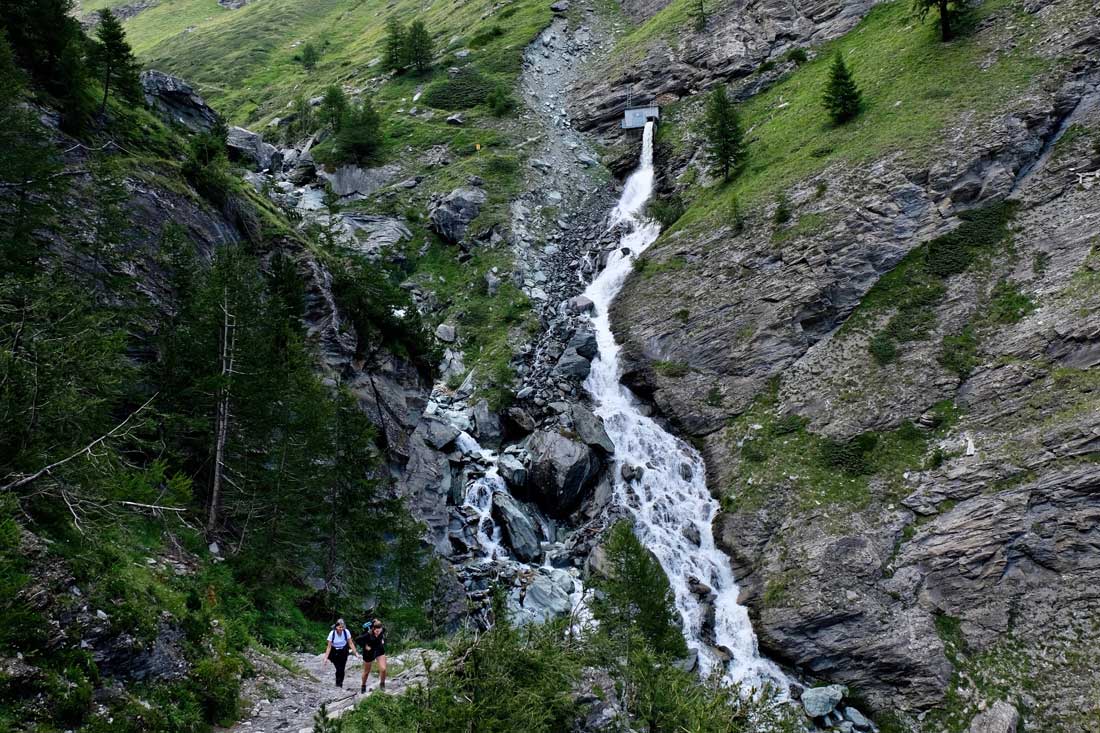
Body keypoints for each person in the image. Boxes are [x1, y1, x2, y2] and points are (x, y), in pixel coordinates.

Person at [321, 618, 358, 688]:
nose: (341, 629)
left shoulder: (346, 632)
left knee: (342, 668)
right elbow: (329, 647)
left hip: (343, 651)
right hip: (334, 652)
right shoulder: (332, 633)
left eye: (342, 627)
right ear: (336, 627)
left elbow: (350, 643)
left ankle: (340, 684)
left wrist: (355, 653)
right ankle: (338, 683)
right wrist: (325, 658)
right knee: (338, 668)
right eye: (339, 627)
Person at [356, 618, 387, 693]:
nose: (378, 633)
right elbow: (357, 640)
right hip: (368, 653)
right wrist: (365, 646)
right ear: (373, 629)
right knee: (366, 672)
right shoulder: (368, 634)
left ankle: (382, 684)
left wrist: (382, 639)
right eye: (376, 631)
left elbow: (383, 633)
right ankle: (363, 685)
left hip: (379, 650)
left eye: (379, 631)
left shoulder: (382, 630)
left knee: (383, 669)